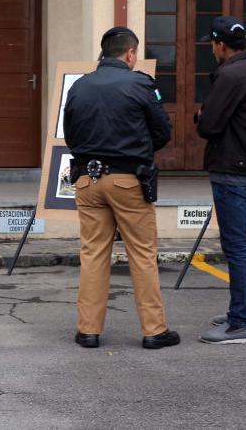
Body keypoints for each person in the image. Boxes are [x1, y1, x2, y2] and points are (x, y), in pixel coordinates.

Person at [63, 26, 180, 350]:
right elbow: (162, 132)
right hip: (128, 179)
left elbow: (70, 135)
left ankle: (88, 330)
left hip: (87, 179)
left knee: (93, 254)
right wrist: (137, 149)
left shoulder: (80, 86)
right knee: (142, 254)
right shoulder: (141, 83)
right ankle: (154, 331)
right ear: (130, 54)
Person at [195, 16, 246, 345]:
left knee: (236, 246)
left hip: (231, 168)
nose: (212, 49)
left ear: (219, 44)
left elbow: (208, 125)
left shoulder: (230, 74)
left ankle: (239, 322)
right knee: (245, 245)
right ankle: (245, 313)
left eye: (211, 43)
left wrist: (200, 115)